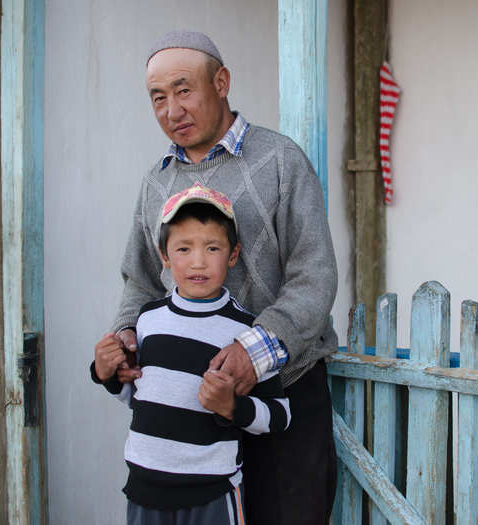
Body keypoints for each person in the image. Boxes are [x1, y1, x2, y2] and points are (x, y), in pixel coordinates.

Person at [107, 30, 338, 524]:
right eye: (158, 98)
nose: (172, 110)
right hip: (192, 413)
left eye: (184, 90)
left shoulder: (280, 160)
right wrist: (126, 338)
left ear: (222, 82)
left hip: (283, 393)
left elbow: (313, 275)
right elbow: (141, 281)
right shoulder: (156, 181)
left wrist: (254, 353)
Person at [92, 185, 292, 524]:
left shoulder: (246, 334)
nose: (198, 262)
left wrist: (232, 406)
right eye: (184, 248)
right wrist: (104, 373)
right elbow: (138, 397)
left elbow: (280, 415)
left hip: (211, 493)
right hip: (144, 488)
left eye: (212, 248)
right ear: (165, 256)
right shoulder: (147, 320)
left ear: (232, 254)